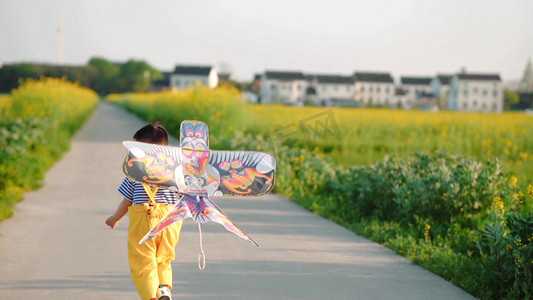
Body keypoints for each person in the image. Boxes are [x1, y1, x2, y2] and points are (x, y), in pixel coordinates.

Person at [106, 121, 183, 300]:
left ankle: (151, 297)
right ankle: (164, 290)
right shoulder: (175, 172)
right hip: (171, 223)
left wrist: (115, 218)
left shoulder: (136, 173)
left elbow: (127, 201)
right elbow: (186, 196)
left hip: (145, 223)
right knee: (164, 259)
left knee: (144, 262)